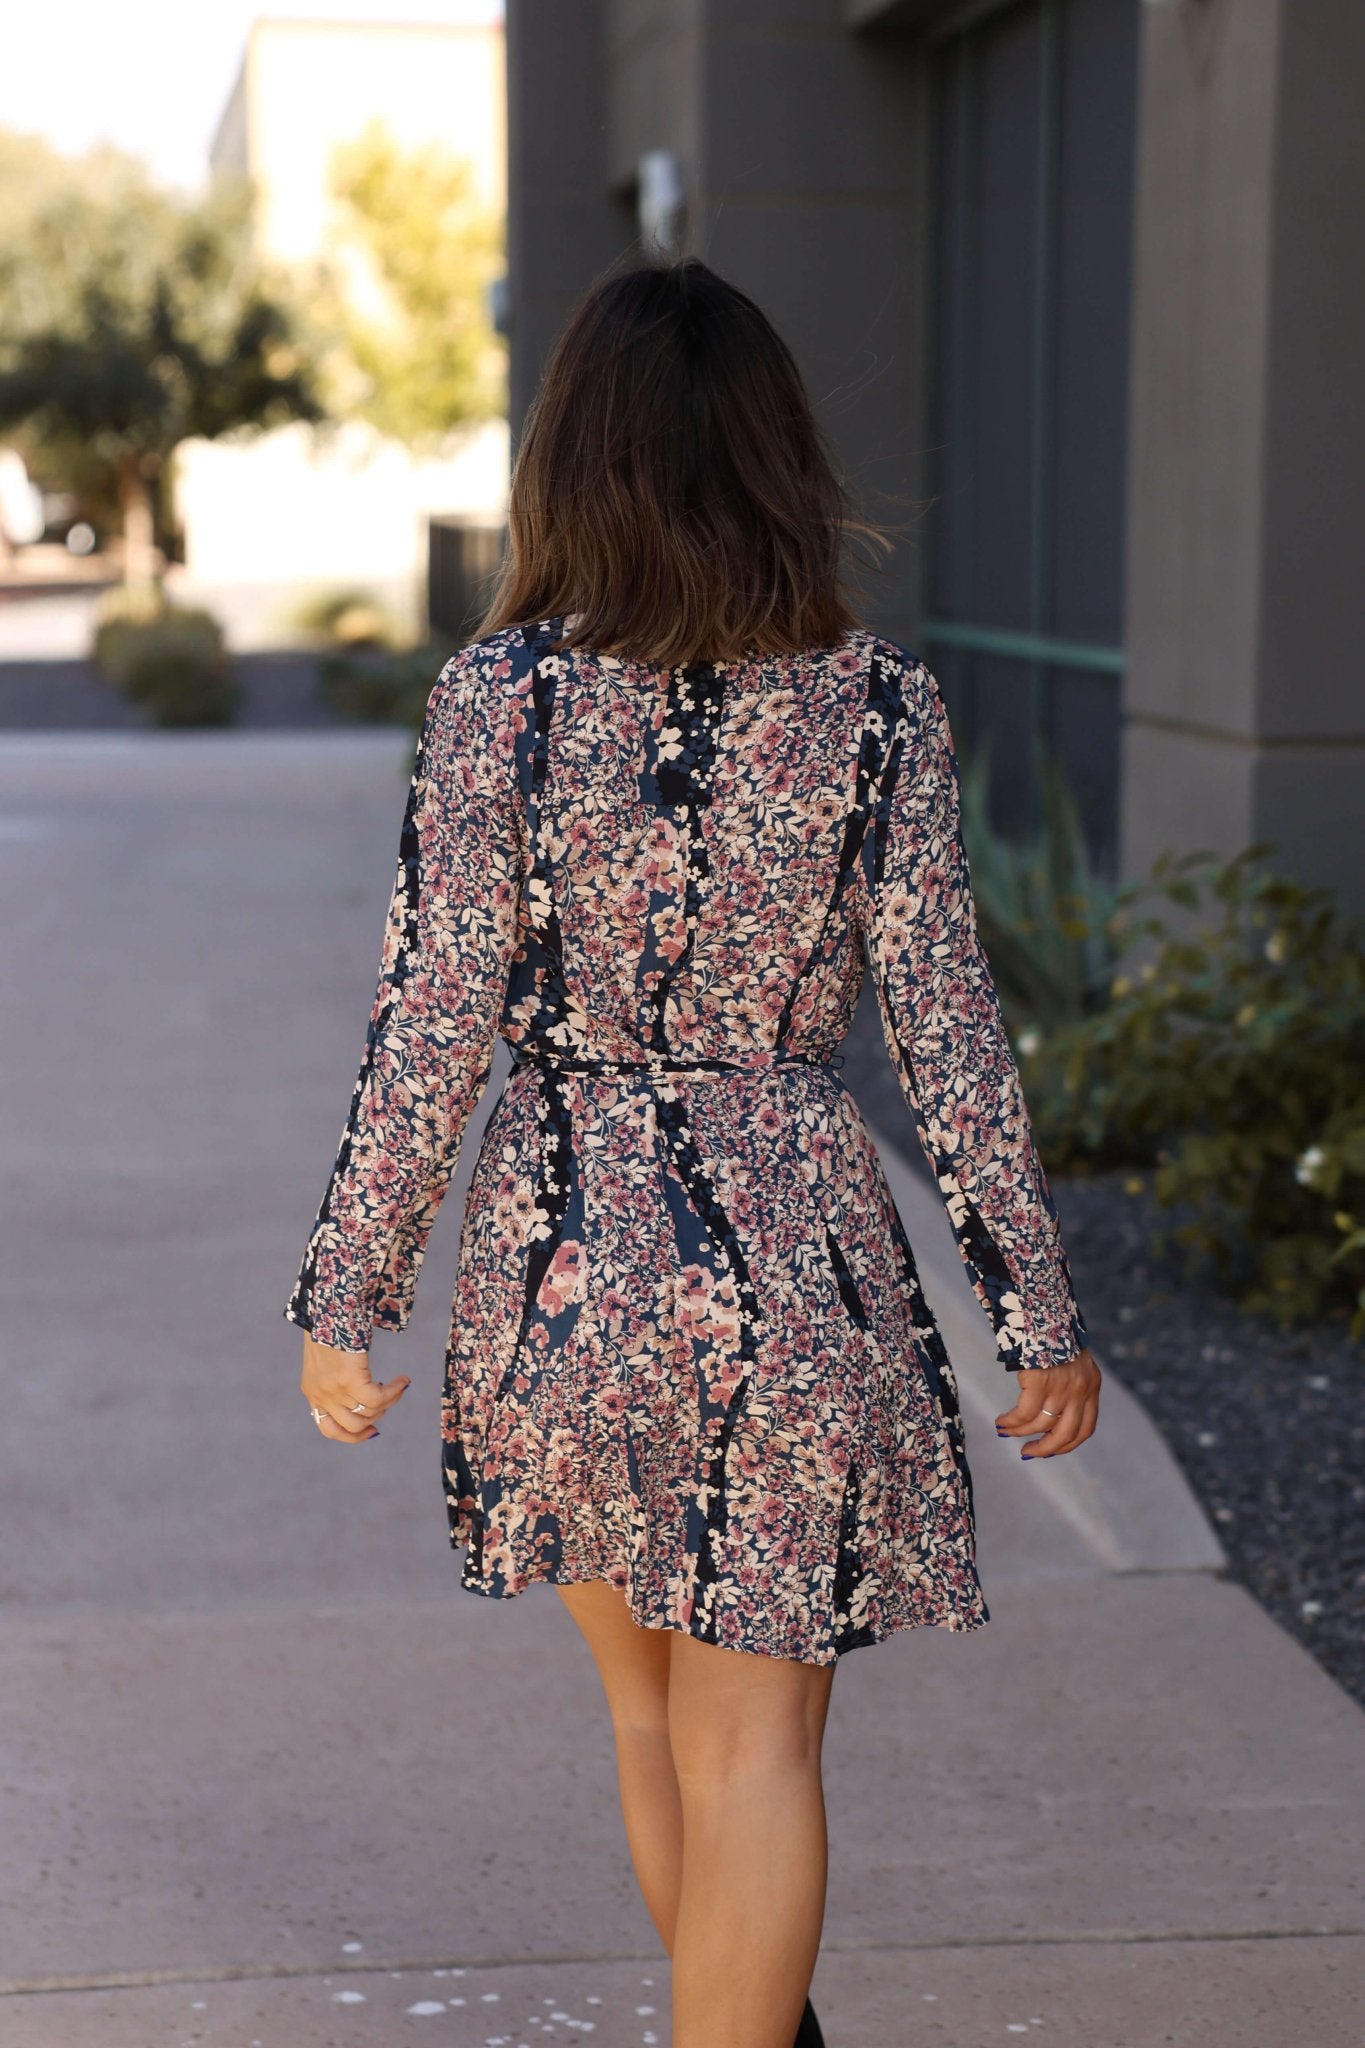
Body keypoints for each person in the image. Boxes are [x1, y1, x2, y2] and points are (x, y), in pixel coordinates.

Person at [285, 254, 1102, 2048]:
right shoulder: (871, 705)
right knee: (758, 1754)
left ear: (564, 461)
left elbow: (432, 1012)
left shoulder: (495, 702)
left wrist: (348, 1293)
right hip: (789, 1258)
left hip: (557, 1266)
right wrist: (1031, 1305)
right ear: (776, 457)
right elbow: (946, 1030)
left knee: (653, 1728)